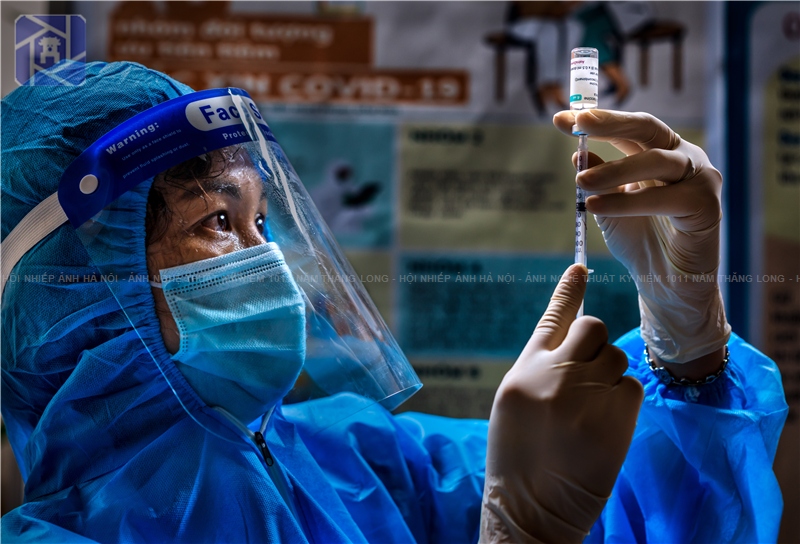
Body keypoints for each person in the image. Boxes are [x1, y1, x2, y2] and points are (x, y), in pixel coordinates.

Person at [0, 62, 787, 543]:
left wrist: (687, 342)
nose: (268, 258)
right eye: (217, 222)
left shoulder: (362, 464)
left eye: (262, 221)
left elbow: (670, 519)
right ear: (77, 289)